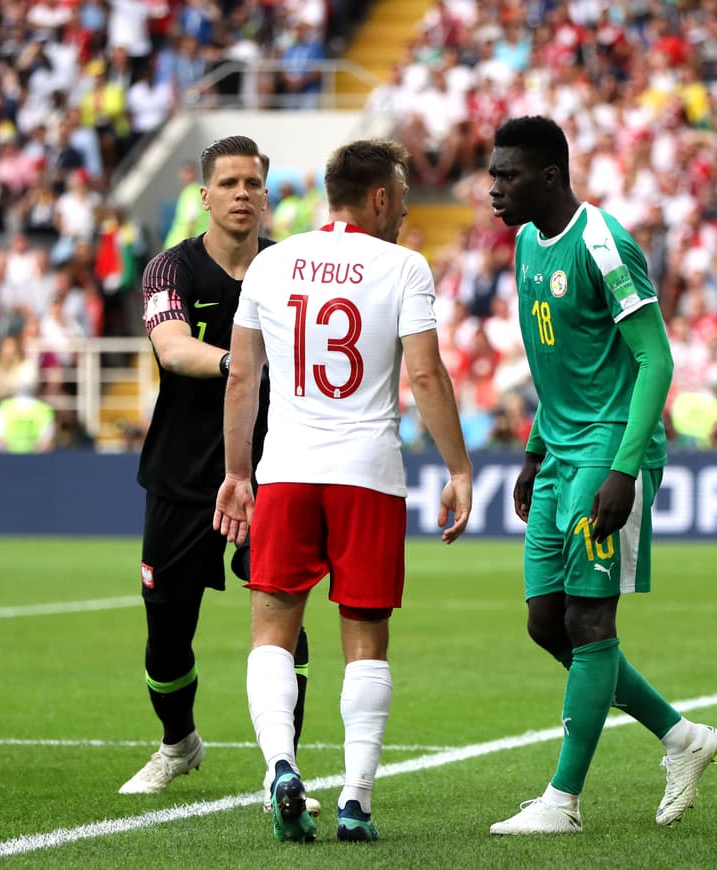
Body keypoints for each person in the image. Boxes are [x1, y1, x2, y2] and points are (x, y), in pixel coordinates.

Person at [213, 139, 473, 844]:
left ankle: (280, 768)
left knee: (273, 630)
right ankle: (356, 800)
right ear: (382, 198)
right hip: (367, 473)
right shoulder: (402, 266)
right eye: (404, 200)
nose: (406, 213)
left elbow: (242, 377)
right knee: (366, 638)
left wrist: (238, 474)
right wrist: (458, 469)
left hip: (288, 469)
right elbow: (425, 378)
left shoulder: (271, 263)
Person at [485, 116, 717, 836]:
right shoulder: (528, 242)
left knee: (590, 623)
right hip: (558, 452)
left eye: (508, 176)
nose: (493, 188)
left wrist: (624, 470)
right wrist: (532, 448)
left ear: (550, 177)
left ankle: (563, 801)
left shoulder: (603, 243)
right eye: (493, 173)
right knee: (545, 622)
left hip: (607, 455)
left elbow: (656, 360)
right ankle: (681, 738)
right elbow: (560, 362)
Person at [121, 136, 316, 808]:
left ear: (267, 195)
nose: (242, 195)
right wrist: (242, 365)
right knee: (167, 630)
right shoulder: (169, 269)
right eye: (228, 183)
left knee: (285, 621)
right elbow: (173, 349)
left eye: (253, 184)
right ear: (203, 196)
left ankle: (283, 770)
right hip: (180, 477)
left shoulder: (293, 270)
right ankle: (178, 744)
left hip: (276, 474)